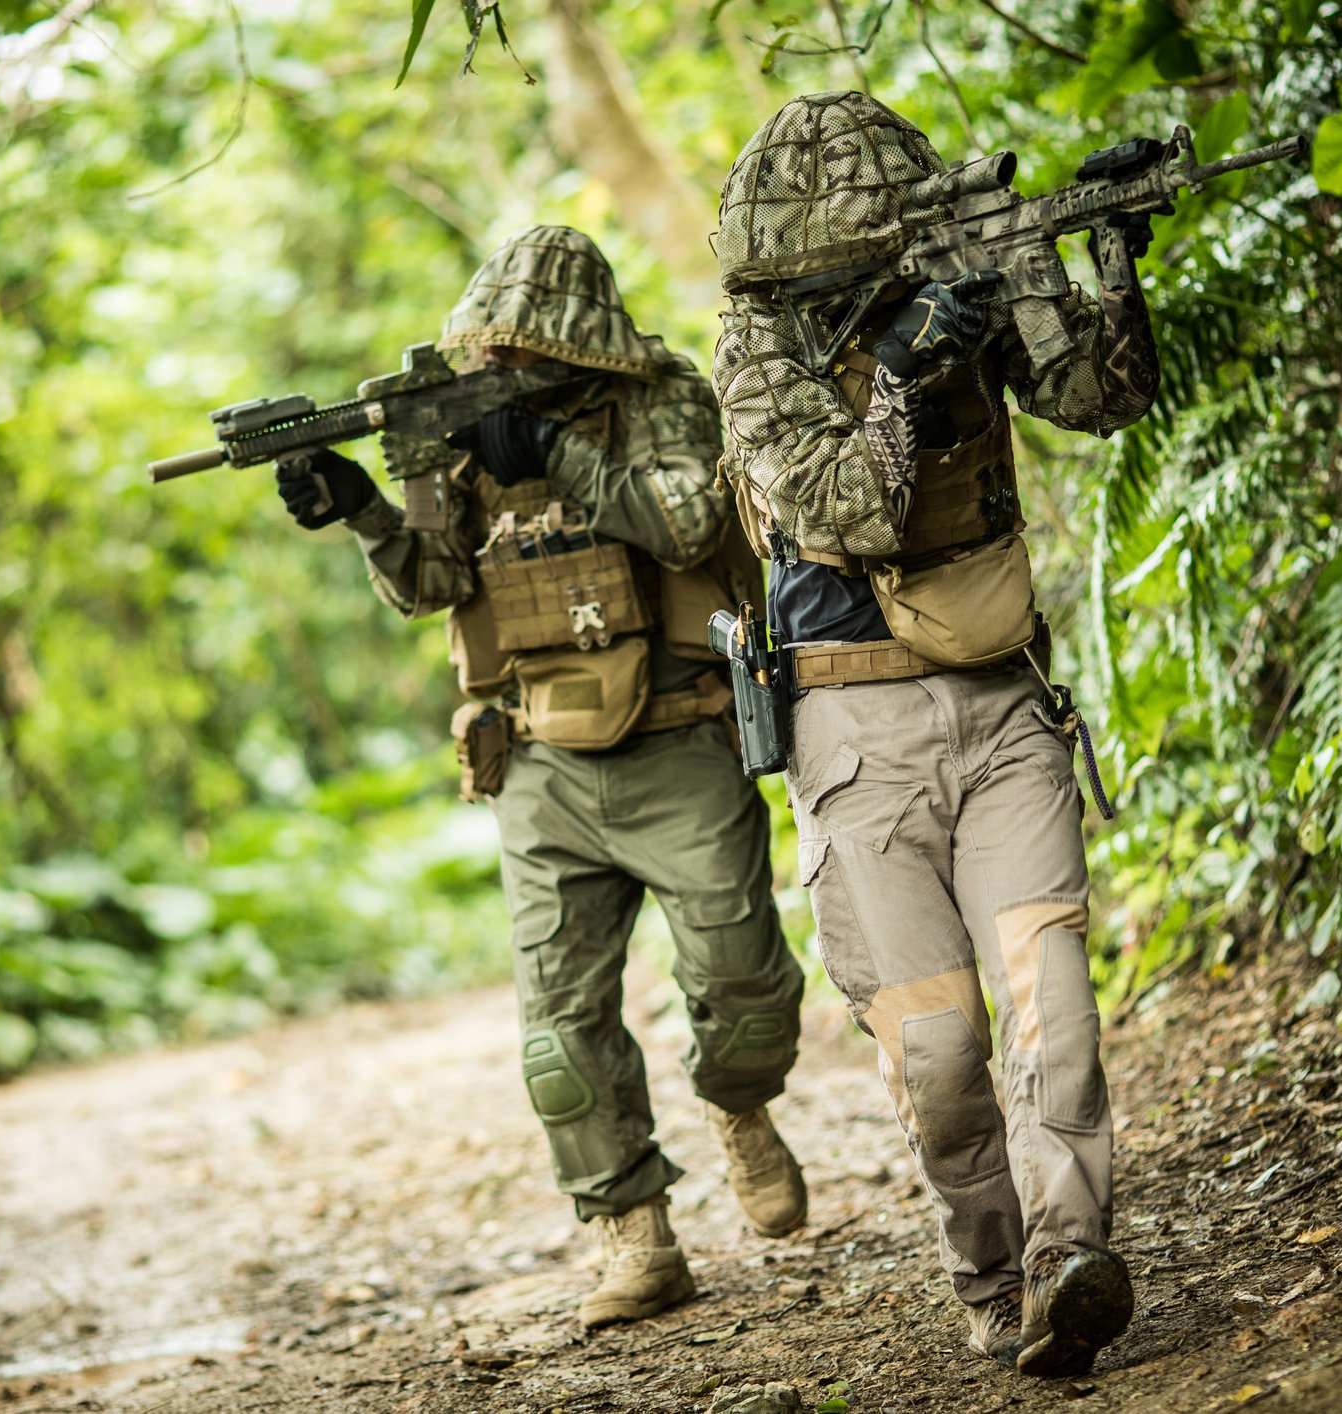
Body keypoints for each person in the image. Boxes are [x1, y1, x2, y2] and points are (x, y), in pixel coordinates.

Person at [278, 224, 809, 1329]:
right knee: (559, 1034)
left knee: (746, 988)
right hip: (538, 756)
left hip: (678, 734)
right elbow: (431, 585)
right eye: (493, 356)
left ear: (579, 344)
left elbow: (691, 519)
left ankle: (738, 1105)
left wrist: (552, 450)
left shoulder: (664, 396)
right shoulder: (461, 429)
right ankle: (635, 1236)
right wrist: (361, 508)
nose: (503, 373)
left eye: (524, 356)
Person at [708, 92, 1160, 1377]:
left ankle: (1067, 1259)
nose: (846, 286)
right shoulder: (754, 346)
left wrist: (1091, 253)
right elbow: (847, 508)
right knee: (943, 1053)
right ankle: (988, 1268)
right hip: (852, 729)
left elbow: (1099, 394)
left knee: (1051, 1002)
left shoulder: (951, 269)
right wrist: (908, 364)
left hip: (1003, 698)